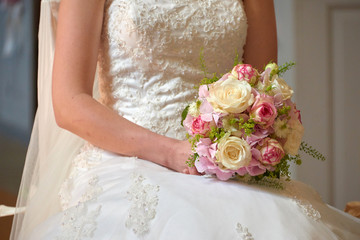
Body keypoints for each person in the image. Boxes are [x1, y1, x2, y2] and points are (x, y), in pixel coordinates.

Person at [7, 0, 360, 239]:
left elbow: (258, 88)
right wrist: (172, 152)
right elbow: (70, 102)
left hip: (224, 164)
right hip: (126, 157)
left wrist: (254, 140)